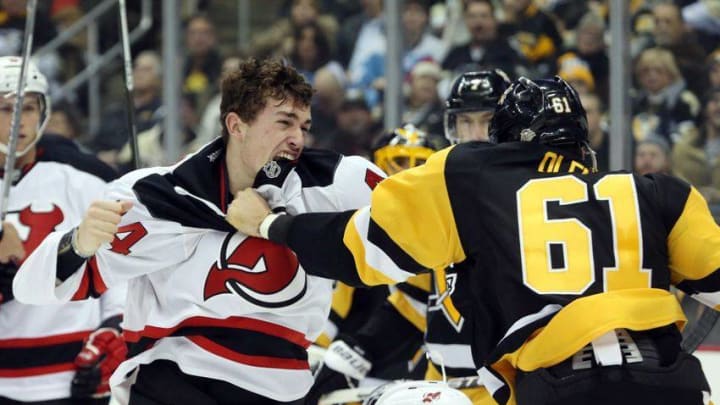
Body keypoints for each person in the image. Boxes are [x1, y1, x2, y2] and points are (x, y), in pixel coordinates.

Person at [228, 76, 718, 405]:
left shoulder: (469, 176)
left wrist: (273, 225)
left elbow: (362, 249)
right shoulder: (659, 192)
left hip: (556, 385)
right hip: (671, 381)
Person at [14, 58, 385, 404]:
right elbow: (31, 288)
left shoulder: (336, 183)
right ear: (236, 125)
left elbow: (422, 224)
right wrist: (77, 243)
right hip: (167, 386)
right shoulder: (153, 196)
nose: (298, 139)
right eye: (284, 122)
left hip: (280, 390)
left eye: (304, 126)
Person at [310, 71, 510, 405]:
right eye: (465, 122)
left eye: (488, 120)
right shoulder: (439, 197)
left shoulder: (527, 196)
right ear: (451, 126)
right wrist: (353, 354)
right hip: (442, 387)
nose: (475, 134)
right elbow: (414, 303)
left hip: (507, 387)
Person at [0, 56, 126, 404]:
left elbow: (120, 270)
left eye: (26, 108)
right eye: (4, 109)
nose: (16, 122)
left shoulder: (86, 181)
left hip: (72, 377)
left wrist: (115, 328)